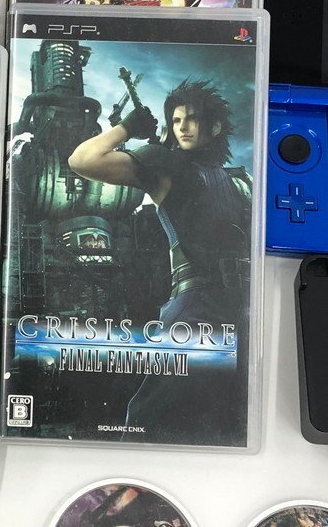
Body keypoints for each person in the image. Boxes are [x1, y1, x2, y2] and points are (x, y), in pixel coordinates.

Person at [68, 78, 252, 444]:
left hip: (242, 307)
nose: (182, 127)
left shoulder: (240, 180)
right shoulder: (166, 166)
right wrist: (126, 128)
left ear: (215, 127)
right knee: (153, 415)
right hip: (196, 306)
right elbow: (82, 160)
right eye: (176, 120)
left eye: (192, 118)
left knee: (230, 417)